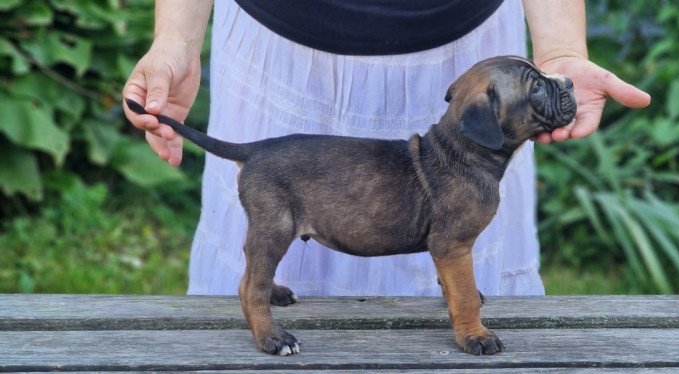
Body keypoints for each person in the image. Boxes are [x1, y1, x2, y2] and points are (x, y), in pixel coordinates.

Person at [123, 0, 650, 296]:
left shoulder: (485, 99)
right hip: (283, 61)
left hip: (464, 62)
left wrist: (557, 51)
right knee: (272, 249)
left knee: (451, 235)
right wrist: (176, 40)